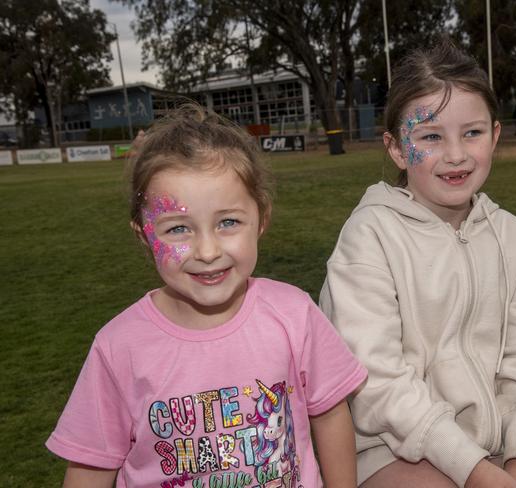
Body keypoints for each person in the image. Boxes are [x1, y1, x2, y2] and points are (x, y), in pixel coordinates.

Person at [46, 104, 367, 488]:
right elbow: (90, 467)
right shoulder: (118, 347)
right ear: (145, 236)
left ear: (261, 219)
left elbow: (330, 415)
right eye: (178, 229)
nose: (208, 251)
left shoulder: (294, 314)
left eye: (228, 222)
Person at [320, 37, 516, 488]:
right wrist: (475, 471)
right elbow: (374, 381)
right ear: (398, 149)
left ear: (495, 135)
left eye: (472, 133)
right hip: (393, 445)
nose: (456, 154)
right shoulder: (369, 237)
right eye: (431, 136)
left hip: (500, 437)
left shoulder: (514, 237)